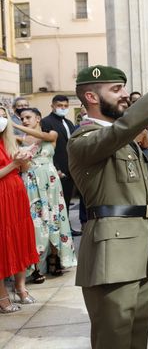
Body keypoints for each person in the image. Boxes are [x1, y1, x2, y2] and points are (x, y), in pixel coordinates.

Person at [67, 60, 148, 348]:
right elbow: (121, 130)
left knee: (137, 338)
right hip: (113, 256)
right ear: (91, 97)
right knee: (113, 339)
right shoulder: (84, 140)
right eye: (116, 89)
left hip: (143, 249)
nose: (124, 94)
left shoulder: (122, 139)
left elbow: (142, 198)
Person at [15, 108, 77, 281]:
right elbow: (22, 165)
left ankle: (54, 258)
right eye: (22, 118)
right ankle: (34, 265)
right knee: (35, 221)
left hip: (51, 183)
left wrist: (13, 124)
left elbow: (45, 138)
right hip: (31, 183)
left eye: (28, 117)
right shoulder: (21, 140)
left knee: (55, 218)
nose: (24, 120)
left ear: (38, 118)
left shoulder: (51, 134)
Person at [0, 105, 39, 314]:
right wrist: (14, 163)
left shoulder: (10, 141)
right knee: (2, 243)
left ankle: (20, 287)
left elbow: (23, 169)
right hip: (1, 197)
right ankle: (2, 297)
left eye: (2, 115)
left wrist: (25, 160)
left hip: (16, 194)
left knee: (20, 238)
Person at [40, 94, 83, 235]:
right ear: (52, 106)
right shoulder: (46, 122)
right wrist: (56, 168)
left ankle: (67, 228)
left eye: (65, 106)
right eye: (59, 106)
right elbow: (47, 147)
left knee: (67, 199)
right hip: (57, 168)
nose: (63, 108)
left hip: (71, 167)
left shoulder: (69, 122)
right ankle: (60, 231)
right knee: (58, 201)